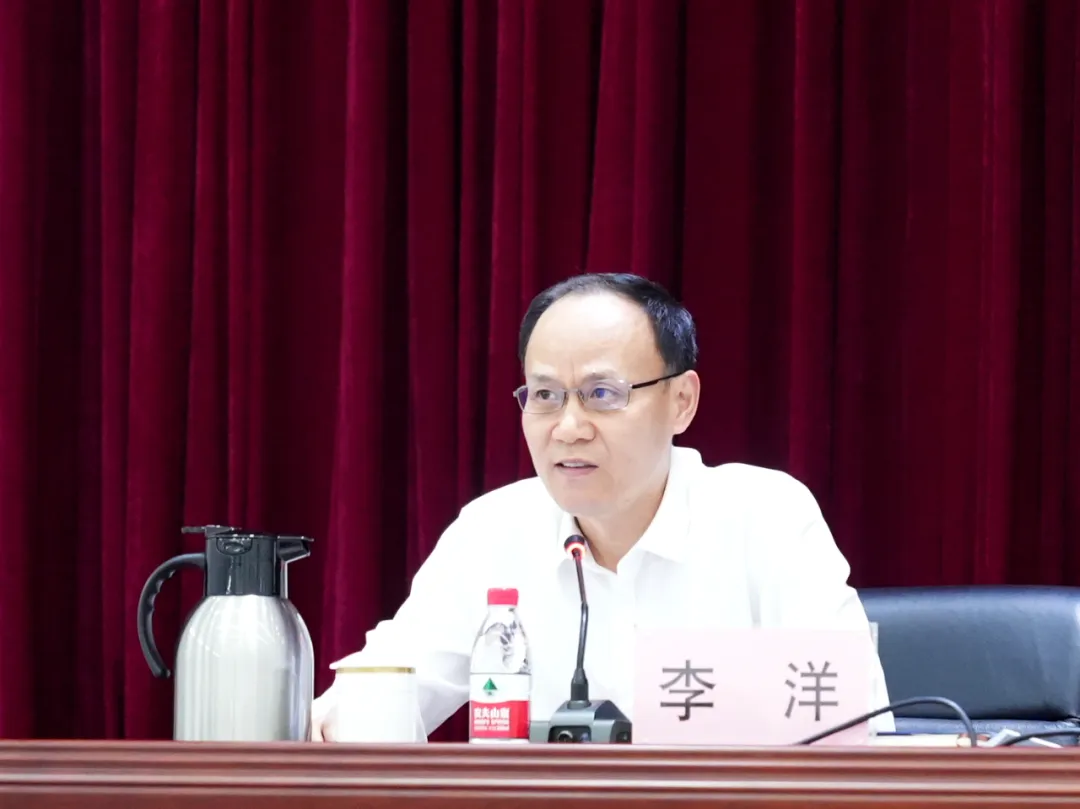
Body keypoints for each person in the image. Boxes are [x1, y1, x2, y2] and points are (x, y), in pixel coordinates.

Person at [311, 272, 892, 740]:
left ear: (681, 401)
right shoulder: (492, 531)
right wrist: (324, 723)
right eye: (545, 395)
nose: (568, 427)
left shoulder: (765, 517)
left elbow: (855, 727)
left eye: (602, 394)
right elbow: (380, 691)